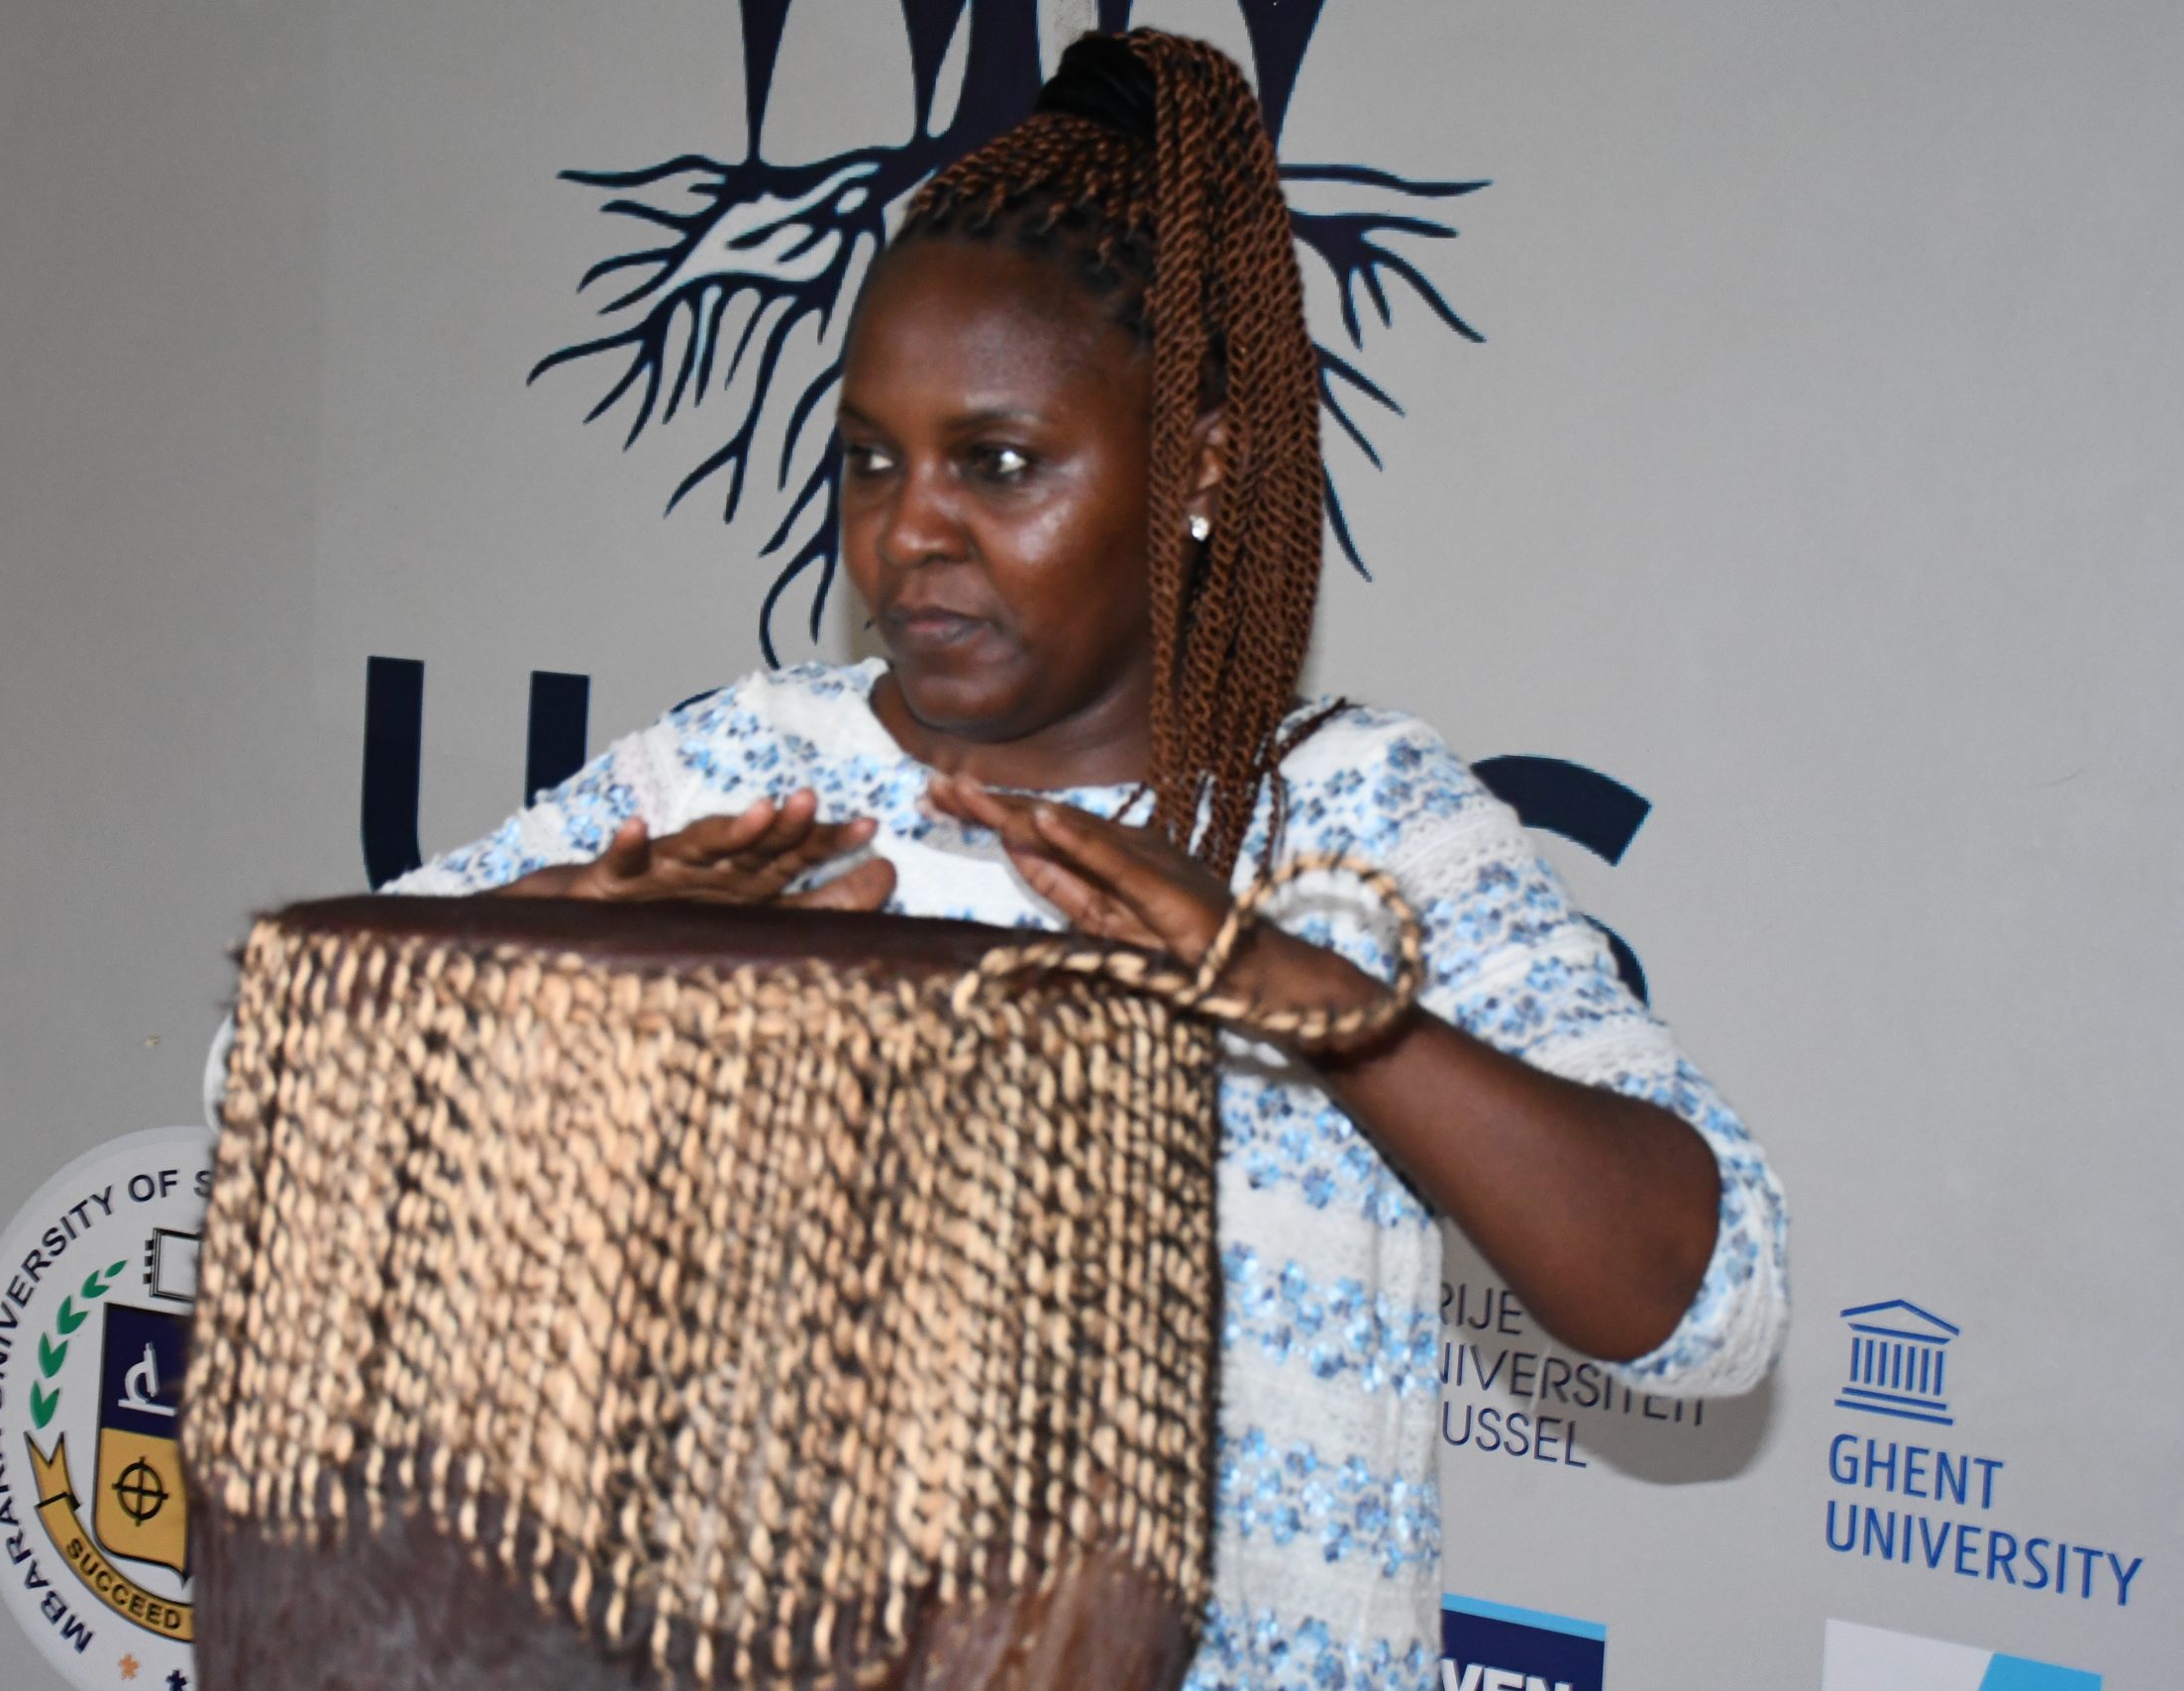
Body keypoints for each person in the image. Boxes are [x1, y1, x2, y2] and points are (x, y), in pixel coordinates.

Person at [388, 30, 1786, 1691]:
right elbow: (266, 1076)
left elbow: (1710, 1305)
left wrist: (1316, 1004)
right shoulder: (750, 775)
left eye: (997, 463)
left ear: (1198, 465)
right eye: (870, 459)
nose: (909, 530)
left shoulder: (1362, 826)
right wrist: (543, 945)